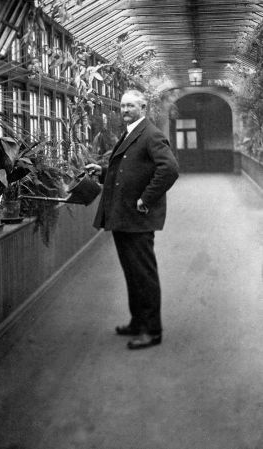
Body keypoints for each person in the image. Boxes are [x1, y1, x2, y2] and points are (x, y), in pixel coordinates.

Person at [86, 89, 179, 350]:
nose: (125, 111)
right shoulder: (133, 132)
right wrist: (102, 171)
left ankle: (152, 330)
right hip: (124, 216)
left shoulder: (151, 134)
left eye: (130, 106)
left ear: (143, 107)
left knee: (143, 274)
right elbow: (130, 169)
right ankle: (138, 321)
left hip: (137, 216)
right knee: (133, 272)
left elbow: (169, 169)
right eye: (122, 106)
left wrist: (146, 199)